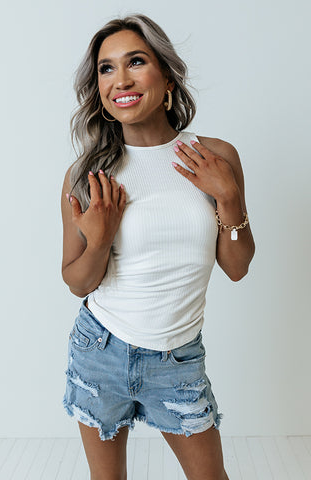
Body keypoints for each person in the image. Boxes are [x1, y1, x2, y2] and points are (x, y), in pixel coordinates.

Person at [61, 13, 255, 480]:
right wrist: (101, 241)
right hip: (100, 347)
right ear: (100, 91)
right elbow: (76, 280)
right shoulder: (88, 175)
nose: (120, 79)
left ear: (166, 75)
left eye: (135, 61)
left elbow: (237, 266)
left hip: (178, 358)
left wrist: (227, 195)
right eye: (106, 69)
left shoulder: (216, 157)